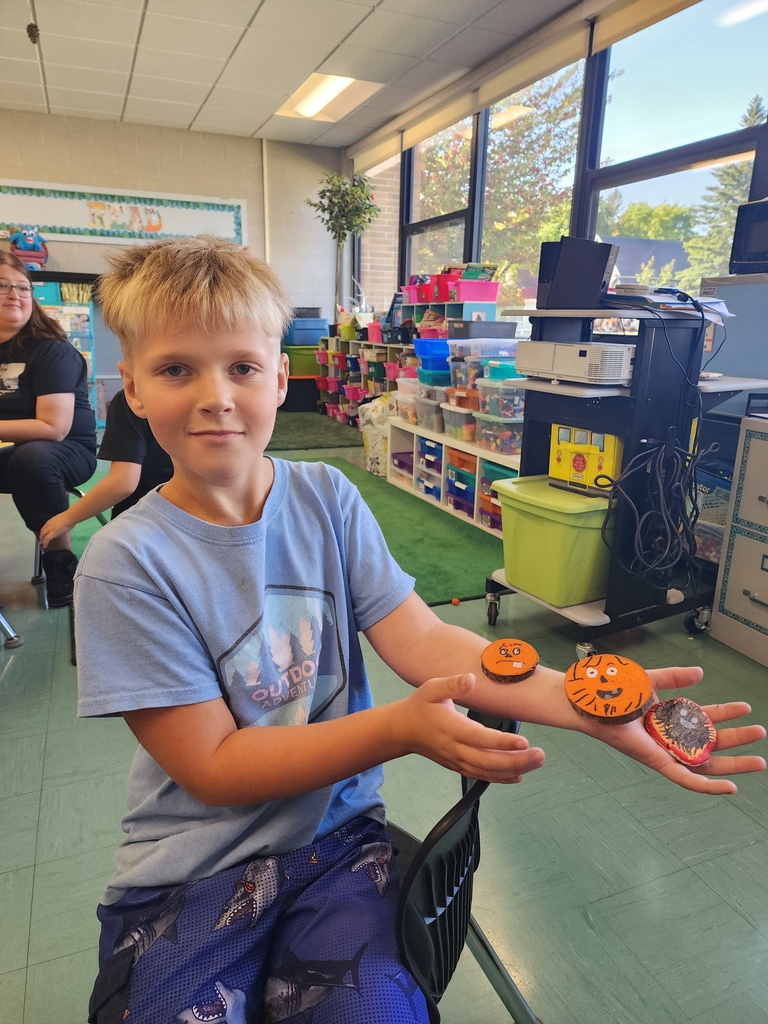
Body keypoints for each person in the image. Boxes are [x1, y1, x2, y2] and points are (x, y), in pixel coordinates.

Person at [75, 236, 766, 1024]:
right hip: (193, 867)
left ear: (279, 375)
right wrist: (400, 730)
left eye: (241, 367)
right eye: (176, 370)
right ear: (129, 387)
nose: (215, 396)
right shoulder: (124, 565)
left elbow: (422, 640)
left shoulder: (327, 498)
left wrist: (583, 703)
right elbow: (214, 766)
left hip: (337, 842)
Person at [0, 251, 97, 606]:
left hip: (71, 452)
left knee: (32, 460)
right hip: (21, 453)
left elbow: (53, 428)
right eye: (3, 285)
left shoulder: (50, 351)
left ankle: (61, 564)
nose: (15, 294)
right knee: (24, 458)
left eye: (23, 288)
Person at [39, 388, 173, 548]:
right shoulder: (205, 397)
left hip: (143, 521)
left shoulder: (131, 398)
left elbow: (123, 482)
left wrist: (68, 518)